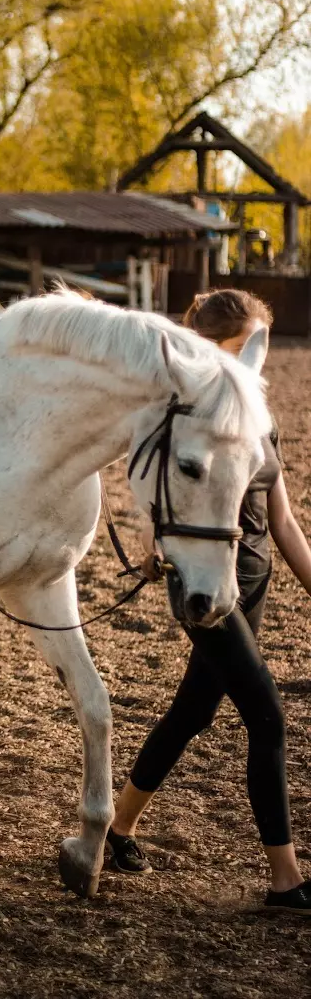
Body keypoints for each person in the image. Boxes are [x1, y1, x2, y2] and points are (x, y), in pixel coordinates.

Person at [107, 288, 311, 914]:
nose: (258, 358)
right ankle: (286, 881)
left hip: (253, 581)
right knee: (268, 718)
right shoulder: (188, 415)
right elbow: (163, 489)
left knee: (192, 712)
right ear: (214, 349)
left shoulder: (257, 419)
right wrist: (149, 537)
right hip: (202, 584)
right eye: (246, 344)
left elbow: (282, 520)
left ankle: (116, 829)